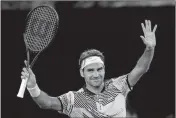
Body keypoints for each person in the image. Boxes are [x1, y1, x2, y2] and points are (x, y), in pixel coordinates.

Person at [21, 20, 157, 117]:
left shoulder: (118, 86)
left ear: (104, 69)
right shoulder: (74, 99)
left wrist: (149, 49)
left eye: (99, 69)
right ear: (82, 72)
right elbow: (47, 103)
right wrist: (33, 86)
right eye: (90, 70)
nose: (96, 74)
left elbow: (141, 68)